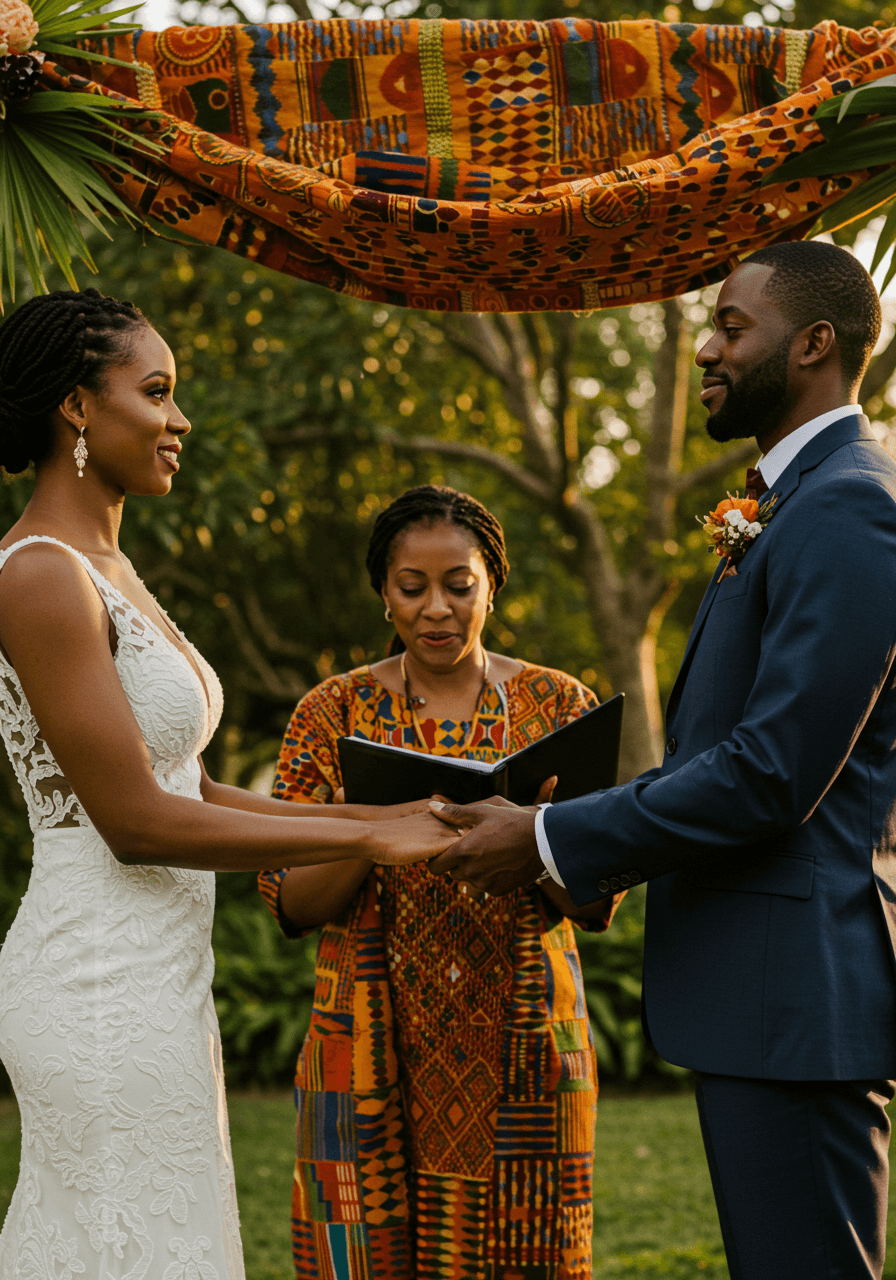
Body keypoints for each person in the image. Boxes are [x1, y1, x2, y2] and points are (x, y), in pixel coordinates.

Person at [428, 241, 896, 1280]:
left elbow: (771, 771)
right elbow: (722, 747)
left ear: (813, 344)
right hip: (762, 1002)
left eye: (731, 327)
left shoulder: (848, 505)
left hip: (794, 1002)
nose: (706, 351)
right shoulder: (790, 505)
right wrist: (566, 848)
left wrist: (547, 836)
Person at [0, 290, 456, 1280]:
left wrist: (386, 811)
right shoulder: (40, 573)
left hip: (159, 975)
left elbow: (191, 783)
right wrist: (367, 841)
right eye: (156, 392)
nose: (180, 420)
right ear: (79, 406)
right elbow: (130, 818)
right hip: (93, 979)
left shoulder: (111, 565)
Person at [258, 484, 621, 1280]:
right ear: (383, 594)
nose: (436, 609)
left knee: (530, 1256)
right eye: (411, 587)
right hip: (366, 1041)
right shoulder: (333, 713)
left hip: (524, 1043)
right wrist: (374, 825)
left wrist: (543, 837)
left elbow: (595, 902)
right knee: (362, 1255)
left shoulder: (559, 707)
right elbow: (290, 901)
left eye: (459, 586)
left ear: (491, 583)